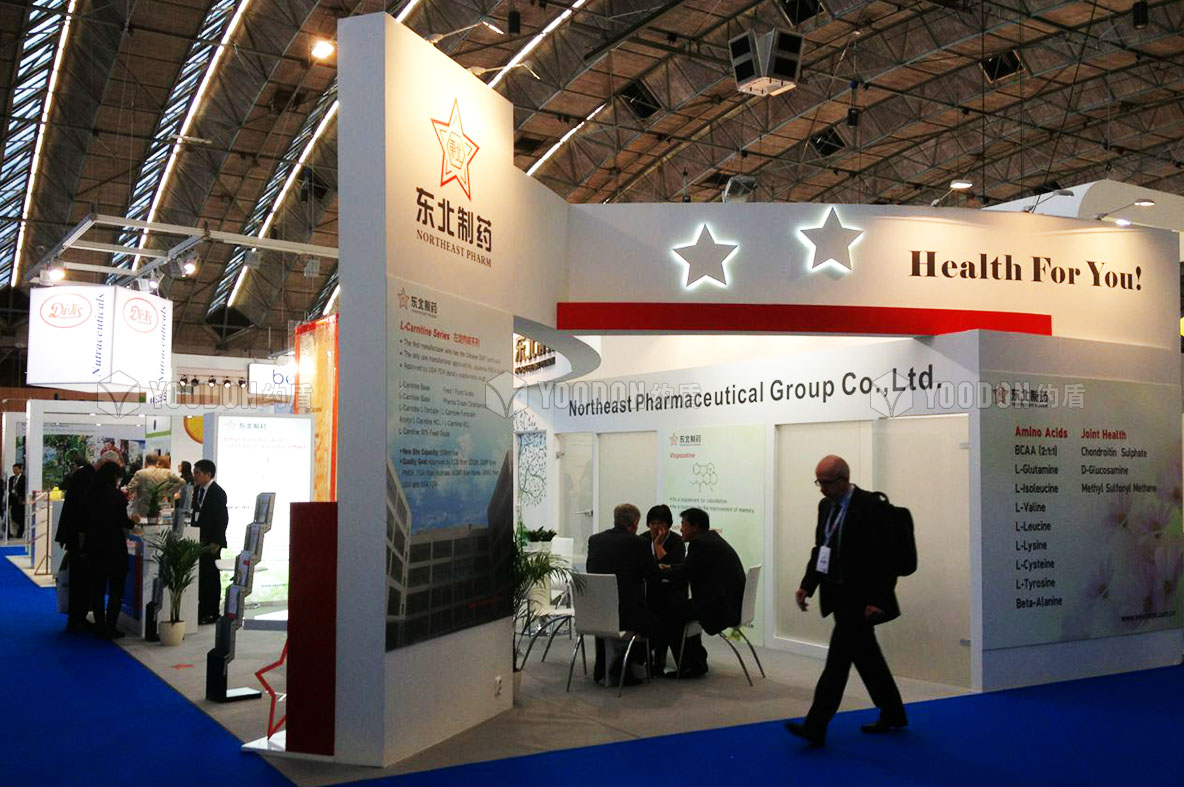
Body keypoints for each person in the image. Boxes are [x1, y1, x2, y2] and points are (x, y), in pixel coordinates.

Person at [786, 455, 907, 748]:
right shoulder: (825, 506)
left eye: (826, 482)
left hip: (861, 599)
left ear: (844, 479)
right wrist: (807, 585)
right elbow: (821, 548)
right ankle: (893, 712)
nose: (821, 488)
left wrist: (879, 599)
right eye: (818, 482)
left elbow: (885, 560)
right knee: (867, 657)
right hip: (837, 595)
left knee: (837, 663)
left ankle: (816, 725)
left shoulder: (871, 507)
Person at [660, 507, 745, 678]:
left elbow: (684, 572)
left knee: (670, 612)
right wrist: (669, 567)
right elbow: (690, 567)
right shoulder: (710, 539)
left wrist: (659, 572)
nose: (681, 529)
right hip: (728, 603)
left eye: (684, 525)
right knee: (680, 608)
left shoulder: (700, 544)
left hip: (720, 607)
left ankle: (688, 666)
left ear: (695, 527)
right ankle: (696, 662)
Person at [586, 503, 663, 686]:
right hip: (626, 616)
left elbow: (590, 569)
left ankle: (605, 667)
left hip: (596, 614)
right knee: (659, 625)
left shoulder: (595, 540)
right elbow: (654, 577)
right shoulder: (639, 544)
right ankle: (626, 665)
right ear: (634, 524)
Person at [84, 460, 134, 639]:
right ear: (114, 476)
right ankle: (111, 626)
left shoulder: (90, 494)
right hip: (114, 547)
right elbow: (123, 521)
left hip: (94, 546)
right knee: (116, 589)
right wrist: (133, 521)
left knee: (97, 588)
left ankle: (99, 625)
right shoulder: (116, 496)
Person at [55, 454, 96, 633]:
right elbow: (82, 516)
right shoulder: (86, 480)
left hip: (74, 538)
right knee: (79, 581)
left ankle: (77, 618)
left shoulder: (80, 477)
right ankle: (77, 619)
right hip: (79, 541)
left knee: (78, 581)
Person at [641, 504, 684, 671]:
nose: (656, 527)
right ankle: (645, 656)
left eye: (660, 523)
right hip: (648, 590)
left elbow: (672, 569)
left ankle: (659, 659)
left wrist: (658, 545)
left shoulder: (677, 541)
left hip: (671, 592)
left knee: (664, 612)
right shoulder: (642, 539)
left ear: (668, 525)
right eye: (652, 523)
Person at [191, 459, 228, 624]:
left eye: (197, 473)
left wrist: (216, 542)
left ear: (208, 474)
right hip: (198, 539)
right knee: (202, 576)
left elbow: (222, 519)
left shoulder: (218, 492)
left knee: (211, 576)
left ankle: (212, 611)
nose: (195, 476)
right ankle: (201, 609)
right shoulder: (197, 490)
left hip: (212, 542)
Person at [125, 454, 184, 522]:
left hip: (142, 510)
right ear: (156, 462)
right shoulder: (167, 472)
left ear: (146, 462)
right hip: (162, 508)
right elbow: (182, 482)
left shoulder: (140, 473)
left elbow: (129, 488)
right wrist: (170, 491)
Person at [7, 463, 25, 538]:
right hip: (13, 500)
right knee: (13, 516)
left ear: (20, 470)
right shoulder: (11, 479)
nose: (14, 471)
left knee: (20, 516)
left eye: (16, 469)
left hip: (20, 500)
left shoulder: (24, 478)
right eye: (13, 470)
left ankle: (20, 532)